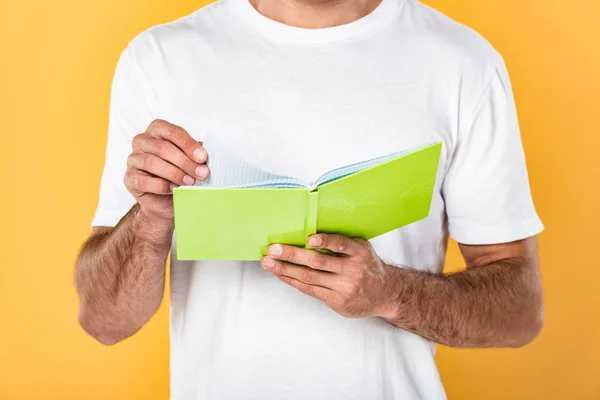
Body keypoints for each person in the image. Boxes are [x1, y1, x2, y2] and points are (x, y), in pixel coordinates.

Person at [74, 0, 545, 398]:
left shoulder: (462, 62)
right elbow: (104, 321)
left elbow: (520, 311)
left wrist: (392, 294)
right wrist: (149, 220)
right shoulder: (160, 59)